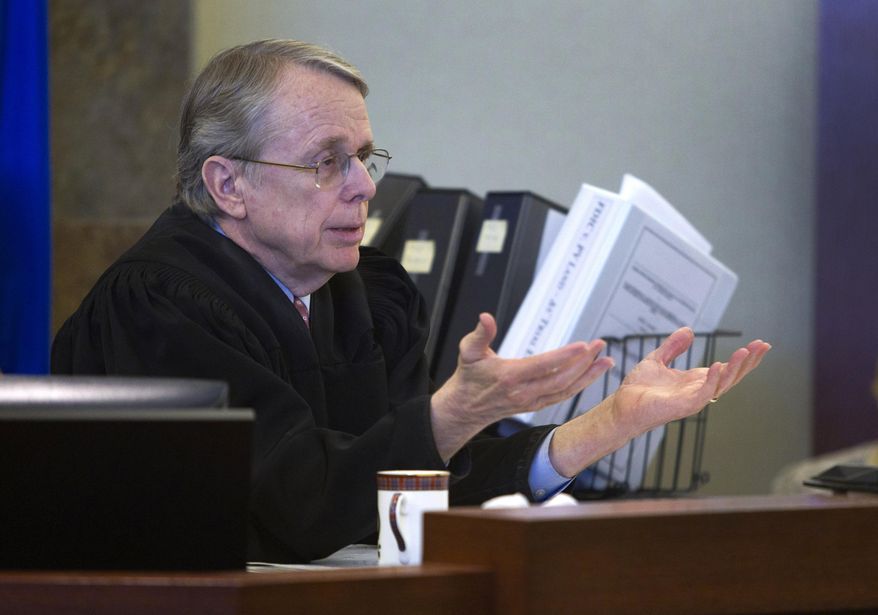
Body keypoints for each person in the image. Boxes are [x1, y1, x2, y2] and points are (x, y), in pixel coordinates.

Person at [52, 39, 770, 563]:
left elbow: (434, 491)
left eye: (364, 157)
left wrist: (609, 423)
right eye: (326, 161)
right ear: (228, 185)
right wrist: (452, 411)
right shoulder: (158, 305)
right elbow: (297, 505)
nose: (364, 186)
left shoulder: (367, 294)